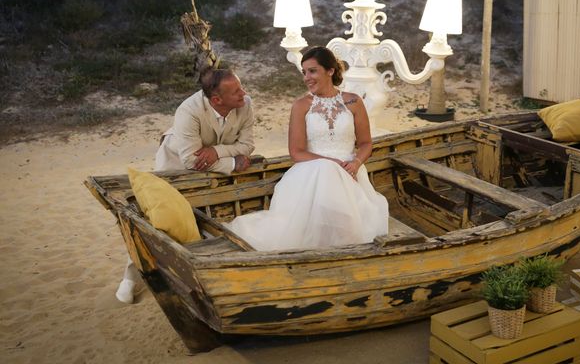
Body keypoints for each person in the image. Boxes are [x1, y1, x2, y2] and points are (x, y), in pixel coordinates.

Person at [226, 46, 388, 251]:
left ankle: (344, 246)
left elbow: (365, 143)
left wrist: (355, 163)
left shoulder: (354, 101)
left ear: (330, 71)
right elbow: (296, 152)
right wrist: (330, 164)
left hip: (350, 172)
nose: (306, 77)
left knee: (353, 219)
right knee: (325, 172)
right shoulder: (301, 105)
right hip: (311, 171)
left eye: (312, 71)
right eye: (304, 72)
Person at [115, 67, 255, 304]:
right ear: (216, 99)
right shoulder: (188, 110)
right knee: (158, 218)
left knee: (207, 215)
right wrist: (231, 161)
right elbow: (191, 160)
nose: (244, 93)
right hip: (175, 162)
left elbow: (248, 145)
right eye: (236, 91)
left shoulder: (246, 104)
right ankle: (131, 277)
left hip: (212, 163)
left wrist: (215, 152)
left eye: (241, 86)